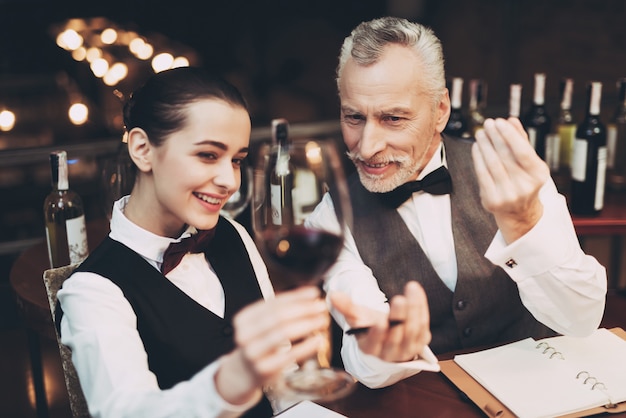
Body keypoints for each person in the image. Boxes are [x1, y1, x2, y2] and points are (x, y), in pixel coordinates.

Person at [307, 16, 607, 389]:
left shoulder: (512, 174)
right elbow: (366, 364)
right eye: (354, 117)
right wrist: (384, 348)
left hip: (540, 389)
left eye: (394, 118)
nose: (367, 146)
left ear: (441, 110)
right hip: (428, 403)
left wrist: (525, 222)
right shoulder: (330, 217)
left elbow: (581, 317)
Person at [56, 67, 331, 417]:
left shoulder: (233, 235)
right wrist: (228, 382)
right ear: (142, 149)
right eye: (208, 155)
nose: (229, 180)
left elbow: (283, 384)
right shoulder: (94, 291)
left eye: (237, 160)